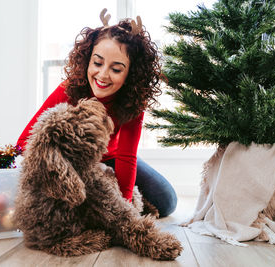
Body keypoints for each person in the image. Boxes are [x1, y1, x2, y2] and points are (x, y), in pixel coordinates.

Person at [17, 9, 177, 217]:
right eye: (98, 63)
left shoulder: (133, 102)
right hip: (74, 162)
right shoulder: (68, 89)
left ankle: (140, 202)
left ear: (131, 74)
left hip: (111, 157)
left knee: (167, 201)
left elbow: (126, 156)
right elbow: (25, 142)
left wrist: (125, 206)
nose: (102, 75)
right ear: (87, 60)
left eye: (116, 69)